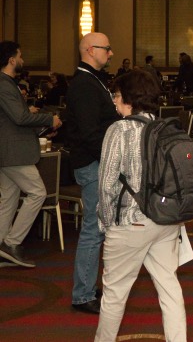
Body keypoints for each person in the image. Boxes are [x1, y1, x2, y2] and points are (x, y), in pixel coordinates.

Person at [95, 70, 186, 341]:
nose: (114, 100)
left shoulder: (119, 130)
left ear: (129, 98)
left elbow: (106, 184)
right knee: (169, 287)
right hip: (166, 218)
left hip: (130, 222)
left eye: (117, 94)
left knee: (114, 294)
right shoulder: (165, 127)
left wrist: (107, 223)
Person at [64, 32, 120, 314]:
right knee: (93, 230)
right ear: (89, 50)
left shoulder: (92, 80)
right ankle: (83, 294)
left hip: (95, 163)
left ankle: (86, 286)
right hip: (93, 164)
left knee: (98, 228)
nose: (111, 53)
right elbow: (90, 134)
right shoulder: (85, 85)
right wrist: (112, 162)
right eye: (106, 48)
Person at [0, 41, 61, 268]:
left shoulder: (7, 84)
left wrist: (41, 126)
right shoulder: (4, 84)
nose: (23, 60)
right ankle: (12, 243)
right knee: (38, 193)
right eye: (20, 56)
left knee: (9, 199)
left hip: (10, 150)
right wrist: (48, 119)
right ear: (11, 60)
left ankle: (2, 247)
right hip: (14, 152)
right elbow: (19, 118)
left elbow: (13, 120)